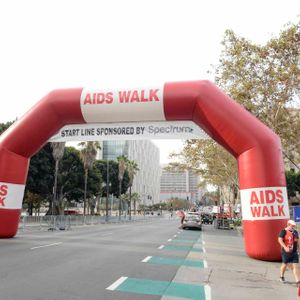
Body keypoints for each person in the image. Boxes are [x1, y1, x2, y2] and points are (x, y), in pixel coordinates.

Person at [278, 219, 300, 285]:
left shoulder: (295, 232)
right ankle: (281, 276)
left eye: (294, 226)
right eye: (292, 226)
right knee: (285, 264)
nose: (293, 227)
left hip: (294, 252)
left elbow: (298, 241)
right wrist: (285, 247)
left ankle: (297, 281)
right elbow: (280, 240)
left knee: (296, 265)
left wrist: (299, 249)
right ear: (288, 225)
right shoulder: (283, 231)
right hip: (286, 252)